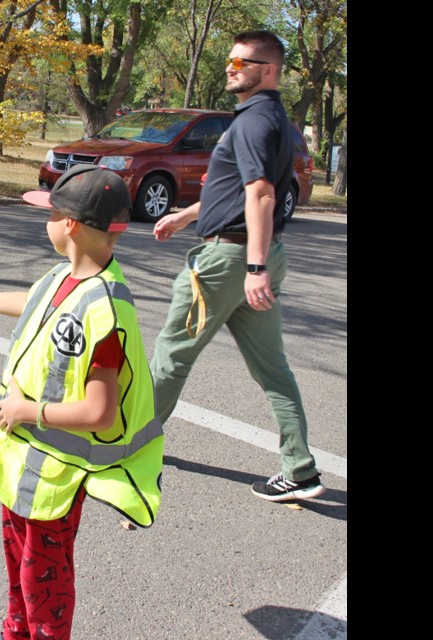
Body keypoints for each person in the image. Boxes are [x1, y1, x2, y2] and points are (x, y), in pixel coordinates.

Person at [0, 164, 164, 640]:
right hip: (24, 464)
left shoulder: (105, 309)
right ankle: (13, 634)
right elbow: (35, 301)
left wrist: (28, 411)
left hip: (56, 481)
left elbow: (100, 413)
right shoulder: (66, 275)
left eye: (50, 213)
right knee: (19, 572)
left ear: (71, 226)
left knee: (45, 584)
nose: (46, 221)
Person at [148, 30, 325, 503]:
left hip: (232, 262)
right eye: (230, 60)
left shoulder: (252, 123)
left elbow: (262, 194)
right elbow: (231, 186)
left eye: (241, 62)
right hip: (253, 256)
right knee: (273, 370)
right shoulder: (271, 120)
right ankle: (301, 469)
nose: (230, 67)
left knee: (171, 357)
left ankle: (132, 446)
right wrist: (186, 216)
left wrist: (254, 268)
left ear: (267, 71)